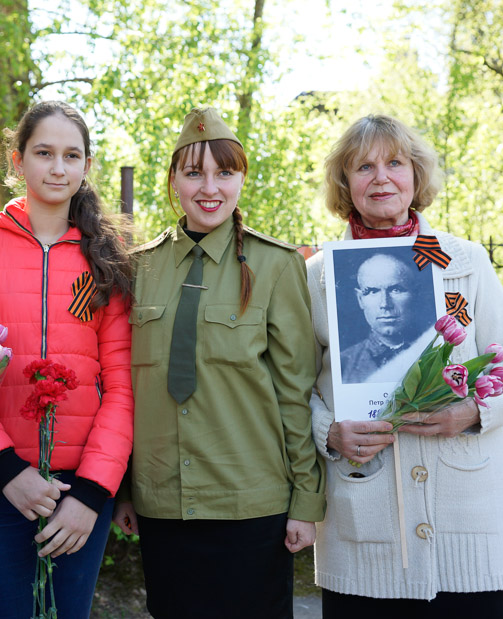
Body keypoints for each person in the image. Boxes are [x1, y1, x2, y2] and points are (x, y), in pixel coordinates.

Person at [307, 114, 503, 616]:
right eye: (363, 166)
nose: (381, 177)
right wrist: (328, 431)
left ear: (416, 176)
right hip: (362, 527)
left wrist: (472, 411)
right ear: (345, 182)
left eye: (395, 163)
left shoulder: (464, 262)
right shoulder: (318, 274)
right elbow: (291, 387)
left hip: (464, 522)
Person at [116, 107, 324, 619]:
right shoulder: (137, 268)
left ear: (241, 178)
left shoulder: (276, 266)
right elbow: (119, 387)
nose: (210, 187)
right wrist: (122, 489)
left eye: (224, 172)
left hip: (252, 505)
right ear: (173, 180)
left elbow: (295, 393)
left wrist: (306, 501)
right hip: (163, 502)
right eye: (194, 172)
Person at [0, 101, 134, 619]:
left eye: (72, 155)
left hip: (79, 491)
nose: (57, 167)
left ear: (86, 166)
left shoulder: (106, 258)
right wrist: (8, 471)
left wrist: (93, 493)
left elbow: (121, 388)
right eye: (44, 152)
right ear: (17, 159)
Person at [339, 250, 430, 383]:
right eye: (372, 291)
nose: (385, 304)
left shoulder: (436, 352)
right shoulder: (344, 363)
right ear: (360, 299)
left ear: (415, 294)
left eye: (396, 290)